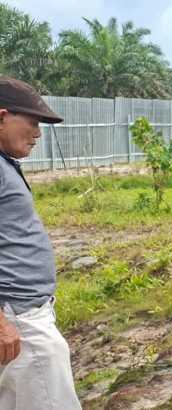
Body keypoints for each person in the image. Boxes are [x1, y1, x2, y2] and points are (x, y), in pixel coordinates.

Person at [0, 76, 81, 409]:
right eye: (32, 122)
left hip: (24, 316)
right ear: (2, 116)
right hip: (19, 322)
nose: (37, 133)